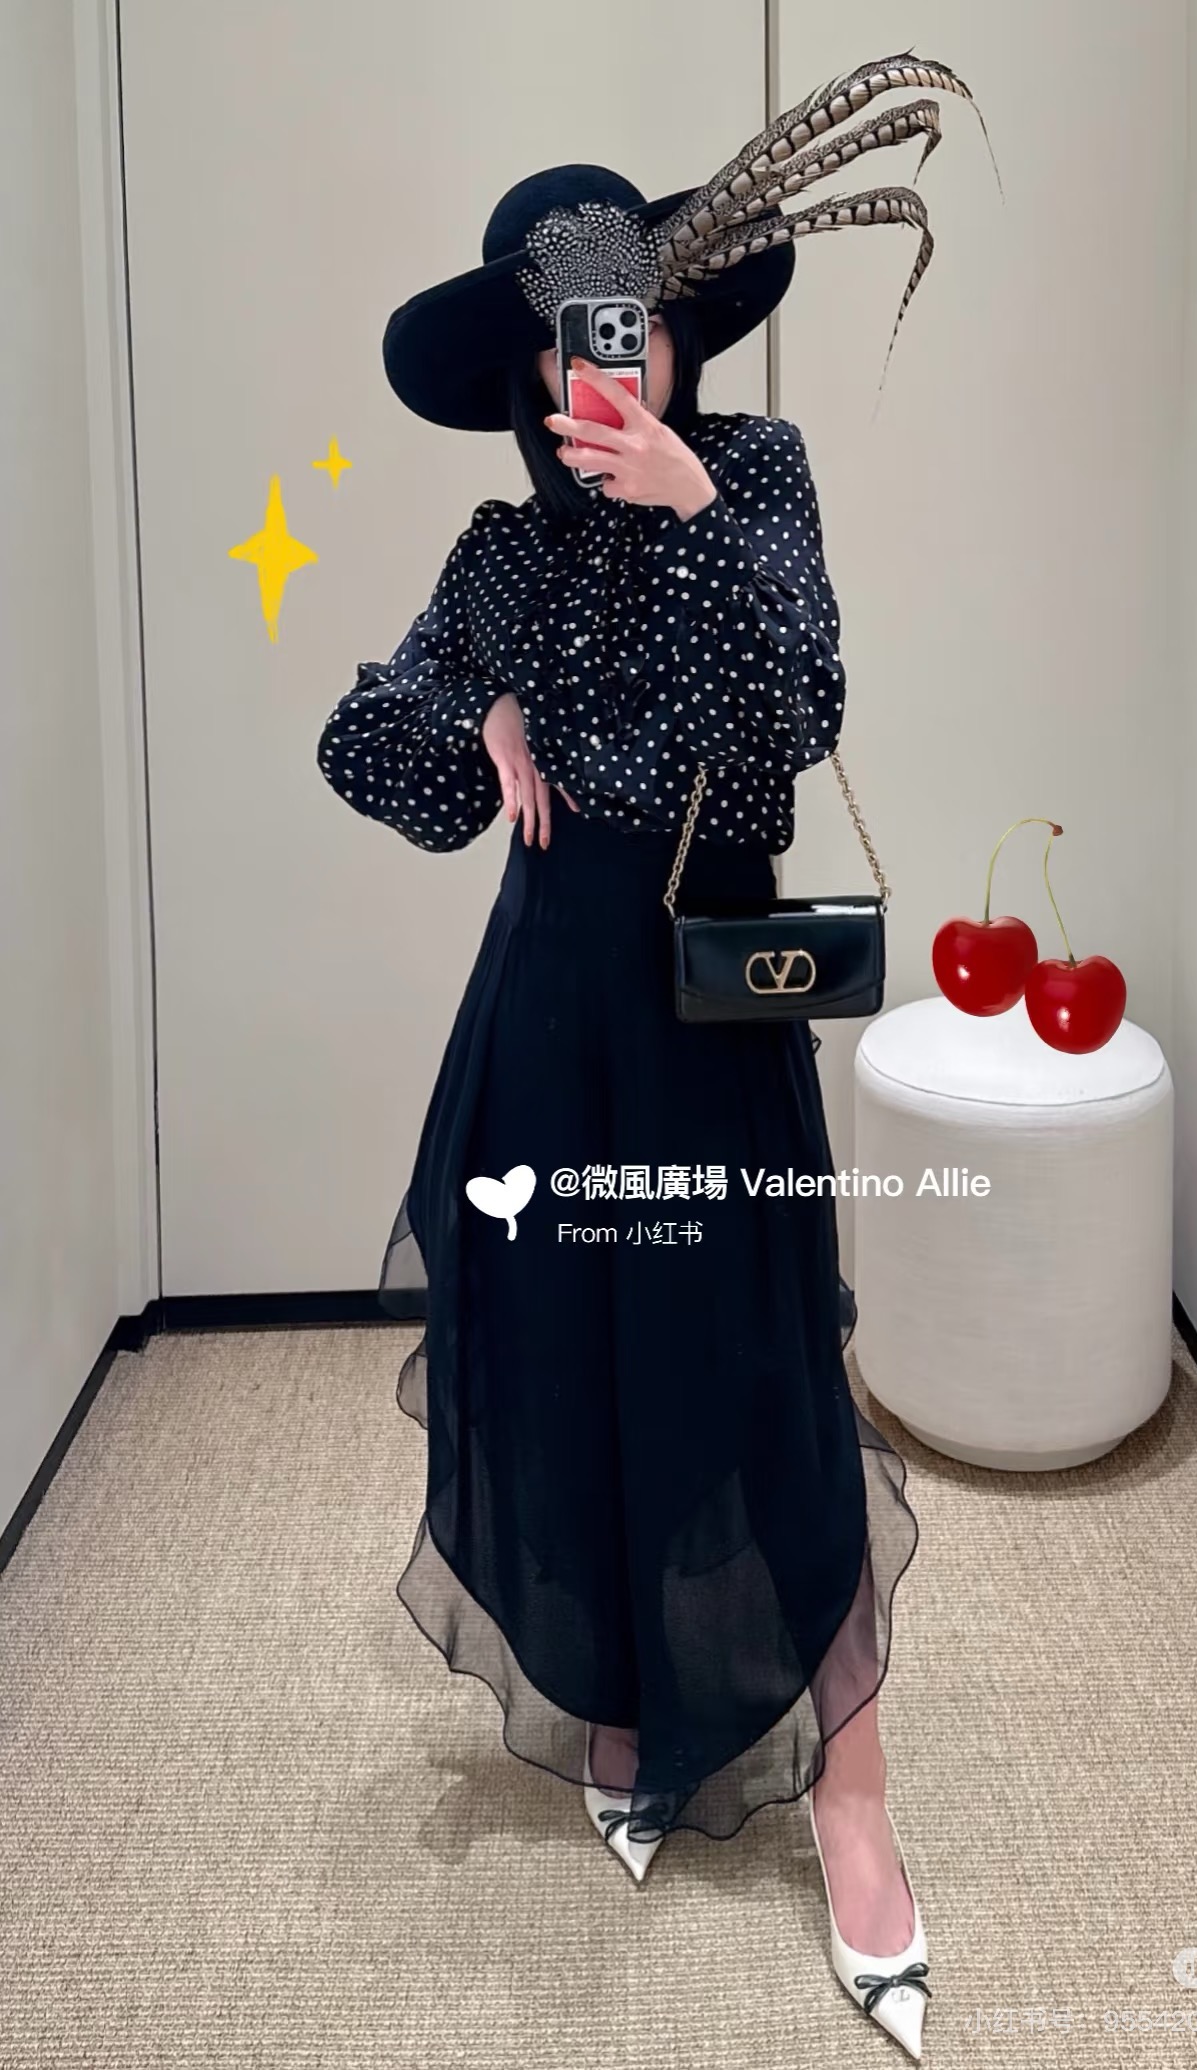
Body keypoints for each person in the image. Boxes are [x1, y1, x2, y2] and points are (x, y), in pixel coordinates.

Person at [316, 100, 963, 2051]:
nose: (609, 356)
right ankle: (624, 1705)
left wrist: (683, 504)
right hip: (542, 1011)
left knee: (762, 1366)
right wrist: (477, 706)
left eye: (635, 313)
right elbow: (369, 753)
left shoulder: (753, 478)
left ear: (675, 322)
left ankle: (852, 1802)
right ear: (529, 370)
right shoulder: (501, 551)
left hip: (706, 1005)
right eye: (569, 332)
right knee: (568, 1356)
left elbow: (796, 708)